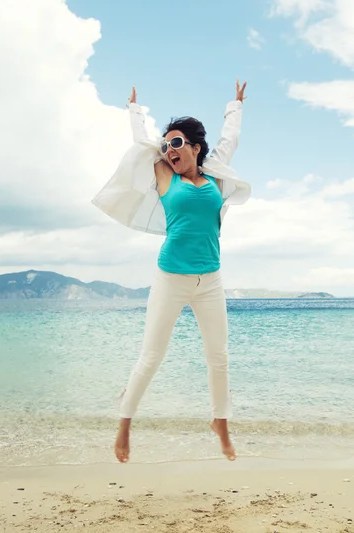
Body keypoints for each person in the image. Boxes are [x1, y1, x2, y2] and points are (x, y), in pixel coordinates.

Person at [92, 80, 250, 463]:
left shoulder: (214, 177)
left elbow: (230, 140)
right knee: (152, 355)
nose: (169, 149)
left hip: (210, 280)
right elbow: (143, 143)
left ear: (196, 148)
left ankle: (220, 423)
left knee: (219, 357)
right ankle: (124, 425)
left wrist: (235, 105)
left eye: (177, 143)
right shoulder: (165, 173)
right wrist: (135, 112)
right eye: (167, 144)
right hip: (170, 278)